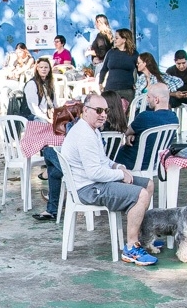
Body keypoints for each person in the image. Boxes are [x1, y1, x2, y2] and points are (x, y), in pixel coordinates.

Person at [60, 93, 157, 266]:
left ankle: (141, 237)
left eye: (105, 110)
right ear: (85, 110)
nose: (103, 115)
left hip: (97, 182)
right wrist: (121, 175)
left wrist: (118, 167)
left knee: (148, 184)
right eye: (98, 110)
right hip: (88, 189)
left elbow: (102, 161)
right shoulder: (85, 135)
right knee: (141, 194)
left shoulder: (92, 130)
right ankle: (131, 249)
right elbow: (94, 173)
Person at [115, 83, 178, 171]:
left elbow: (125, 132)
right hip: (156, 163)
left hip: (131, 162)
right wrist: (133, 134)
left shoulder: (145, 117)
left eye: (148, 97)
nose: (147, 100)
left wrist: (130, 134)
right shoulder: (174, 118)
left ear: (156, 100)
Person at [99, 28, 138, 101]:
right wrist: (100, 83)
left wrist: (139, 84)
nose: (114, 40)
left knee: (127, 111)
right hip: (110, 89)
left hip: (127, 90)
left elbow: (141, 70)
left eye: (117, 38)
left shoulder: (134, 54)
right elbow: (104, 69)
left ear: (124, 40)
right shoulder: (111, 52)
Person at [23, 58, 55, 122]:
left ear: (49, 69)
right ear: (37, 69)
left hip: (48, 114)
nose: (43, 69)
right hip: (34, 118)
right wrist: (47, 119)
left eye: (46, 67)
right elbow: (34, 109)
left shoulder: (49, 84)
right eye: (41, 67)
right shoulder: (32, 84)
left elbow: (54, 103)